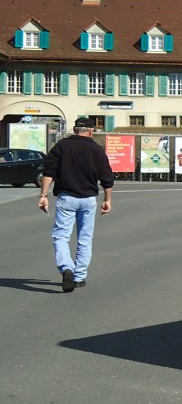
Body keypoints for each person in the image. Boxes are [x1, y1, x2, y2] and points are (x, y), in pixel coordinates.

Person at [37, 117, 115, 293]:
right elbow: (106, 178)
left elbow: (49, 171)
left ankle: (66, 268)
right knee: (85, 239)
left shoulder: (61, 146)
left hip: (67, 197)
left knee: (61, 236)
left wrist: (43, 195)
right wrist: (107, 200)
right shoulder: (96, 150)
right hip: (88, 199)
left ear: (74, 129)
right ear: (91, 131)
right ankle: (79, 277)